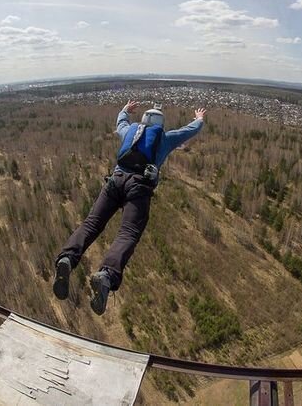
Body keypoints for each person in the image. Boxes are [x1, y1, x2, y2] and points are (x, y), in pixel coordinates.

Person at [53, 100, 206, 314]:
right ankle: (106, 275)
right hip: (139, 188)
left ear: (142, 121)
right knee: (128, 233)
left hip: (115, 180)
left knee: (92, 223)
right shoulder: (165, 139)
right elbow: (190, 130)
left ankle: (67, 258)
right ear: (160, 124)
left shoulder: (129, 132)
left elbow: (121, 121)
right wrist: (198, 118)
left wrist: (125, 109)